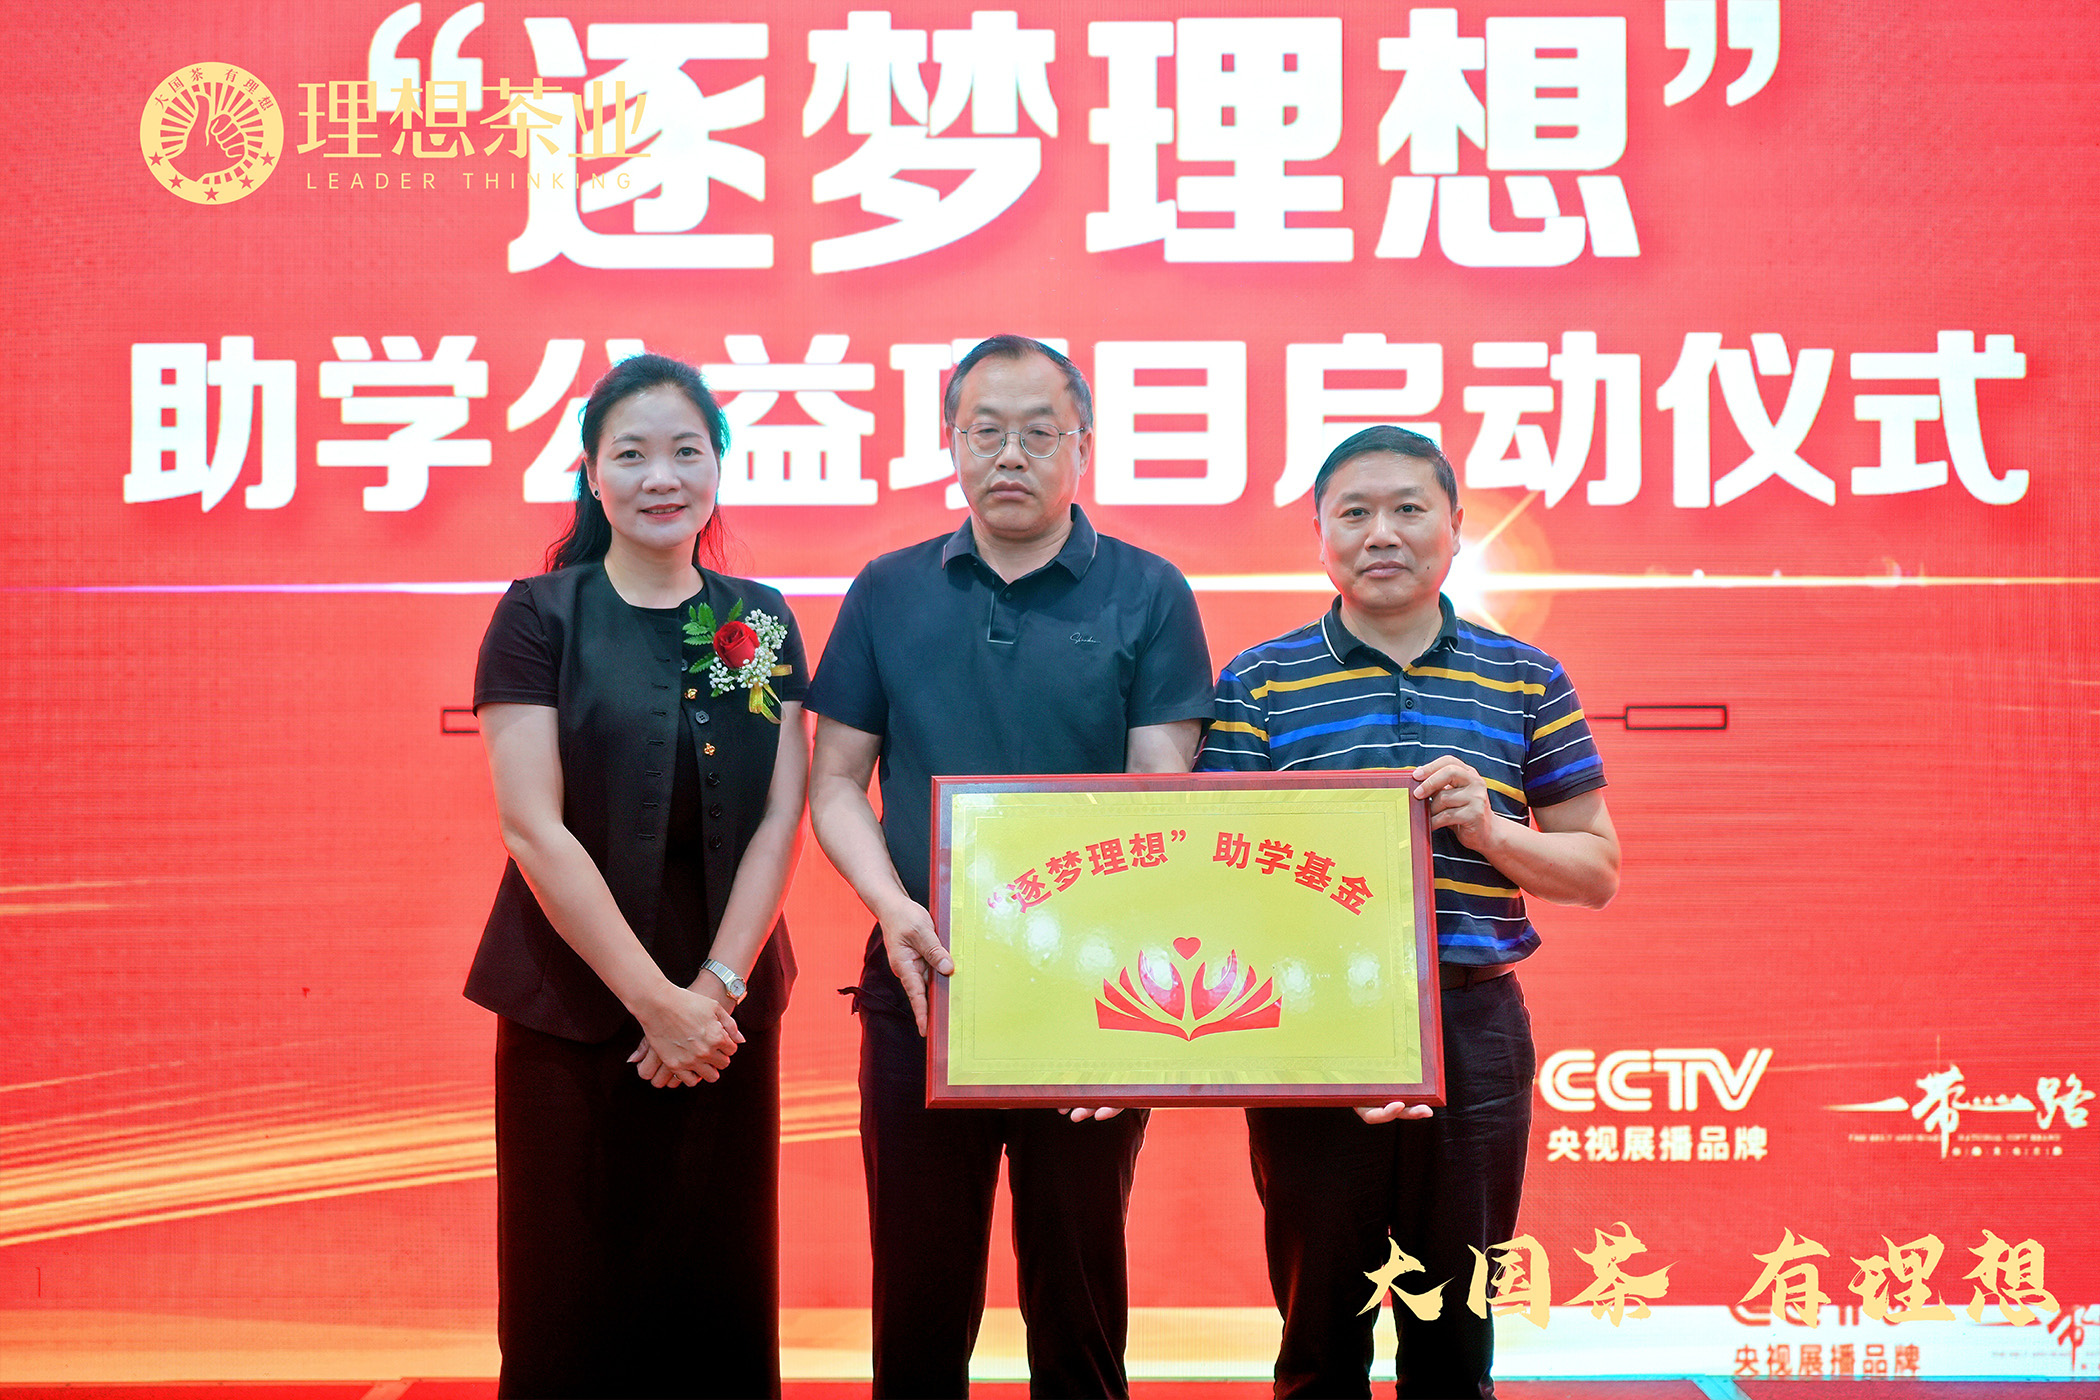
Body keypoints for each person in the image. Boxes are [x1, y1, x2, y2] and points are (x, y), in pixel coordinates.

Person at [806, 335, 1213, 1398]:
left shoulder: (1149, 591)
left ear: (1084, 445)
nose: (1010, 455)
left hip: (1096, 994)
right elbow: (836, 782)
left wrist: (1115, 966)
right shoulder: (888, 590)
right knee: (919, 1291)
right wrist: (891, 906)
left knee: (1078, 1296)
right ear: (951, 444)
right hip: (920, 975)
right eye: (985, 432)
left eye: (1039, 432)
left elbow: (1161, 789)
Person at [1198, 426, 1620, 1400]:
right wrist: (1334, 1042)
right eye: (1354, 512)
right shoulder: (1259, 683)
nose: (1380, 532)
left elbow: (1596, 869)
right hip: (1307, 1026)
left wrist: (1493, 830)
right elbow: (1221, 885)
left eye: (1407, 509)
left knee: (1456, 1340)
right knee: (1318, 1339)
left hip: (1474, 1027)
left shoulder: (1526, 676)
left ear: (1456, 527)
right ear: (1320, 534)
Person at [465, 353, 810, 1399]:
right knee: (570, 1305)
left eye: (686, 451)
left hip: (725, 1021)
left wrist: (714, 991)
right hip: (571, 1010)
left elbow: (781, 815)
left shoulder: (761, 621)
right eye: (631, 454)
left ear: (718, 466)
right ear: (590, 472)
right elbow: (533, 827)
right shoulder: (540, 615)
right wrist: (655, 1003)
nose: (662, 477)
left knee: (717, 1297)